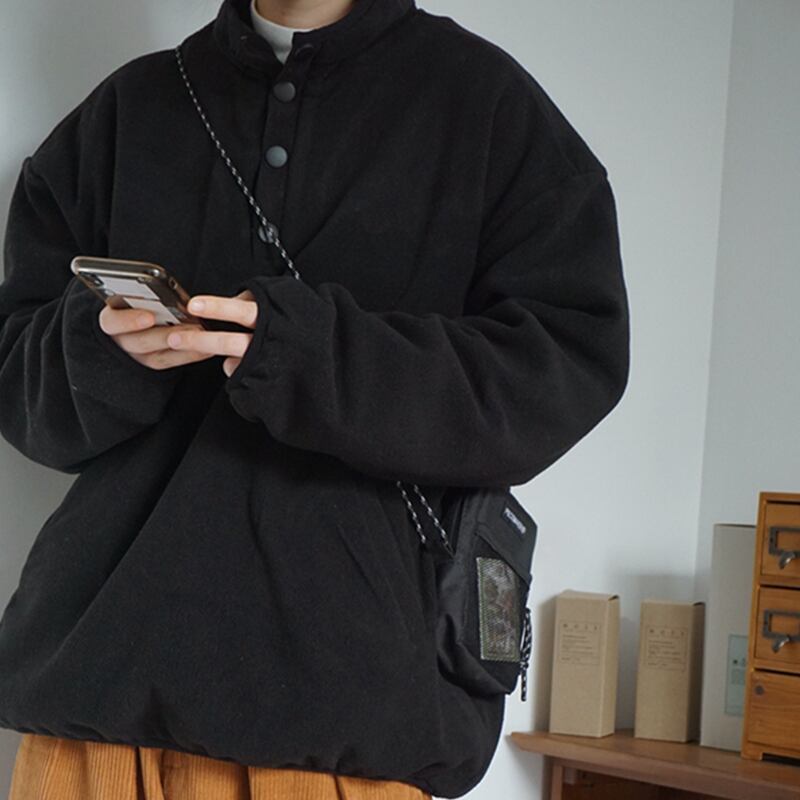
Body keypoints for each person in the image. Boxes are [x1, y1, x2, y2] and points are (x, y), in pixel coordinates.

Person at [0, 0, 631, 797]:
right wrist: (98, 346)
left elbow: (564, 367)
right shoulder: (128, 110)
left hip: (347, 724)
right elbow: (16, 380)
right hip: (100, 705)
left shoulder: (485, 106)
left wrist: (319, 358)